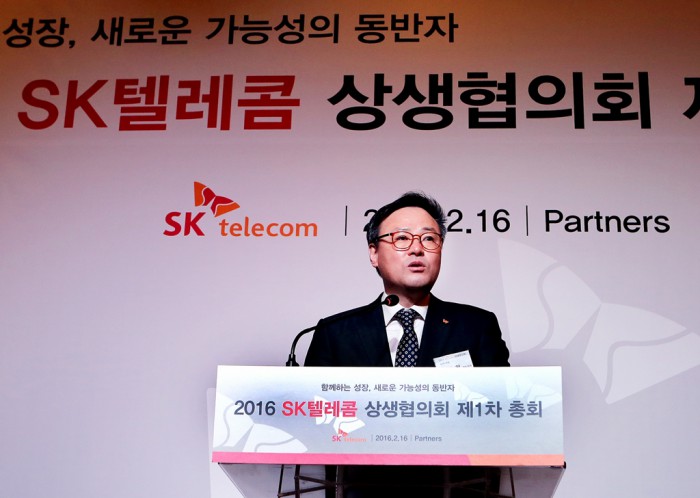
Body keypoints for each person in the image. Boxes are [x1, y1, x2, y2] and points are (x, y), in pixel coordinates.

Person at [305, 192, 510, 497]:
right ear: (374, 253)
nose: (417, 248)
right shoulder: (335, 332)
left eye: (429, 239)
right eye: (402, 238)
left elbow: (503, 416)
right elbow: (312, 424)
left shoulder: (477, 327)